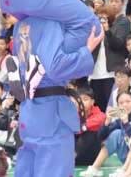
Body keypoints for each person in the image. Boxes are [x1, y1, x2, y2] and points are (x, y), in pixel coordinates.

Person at [12, 16, 104, 177]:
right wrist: (86, 50)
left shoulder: (20, 26)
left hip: (30, 108)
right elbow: (58, 66)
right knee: (54, 165)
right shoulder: (50, 23)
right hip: (51, 108)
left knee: (29, 162)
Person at [82, 91, 131, 177]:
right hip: (126, 157)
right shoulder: (120, 120)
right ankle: (95, 168)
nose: (124, 105)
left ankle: (125, 170)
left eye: (128, 102)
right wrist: (107, 122)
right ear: (118, 106)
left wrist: (126, 123)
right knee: (116, 133)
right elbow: (101, 137)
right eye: (121, 103)